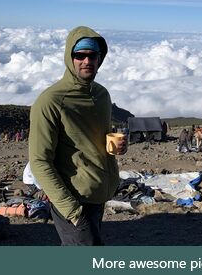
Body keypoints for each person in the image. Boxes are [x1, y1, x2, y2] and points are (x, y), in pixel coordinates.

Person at [29, 26, 126, 246]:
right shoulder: (50, 101)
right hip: (73, 200)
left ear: (100, 58)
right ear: (69, 57)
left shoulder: (101, 95)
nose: (86, 60)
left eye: (92, 55)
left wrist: (116, 145)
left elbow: (99, 138)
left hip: (98, 195)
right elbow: (39, 161)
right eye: (79, 55)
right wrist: (72, 210)